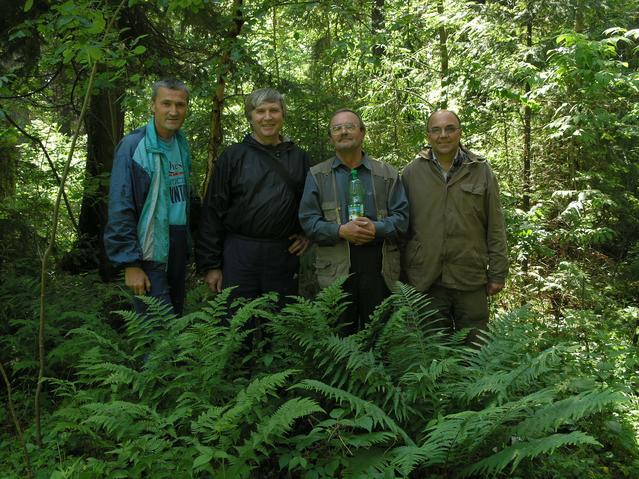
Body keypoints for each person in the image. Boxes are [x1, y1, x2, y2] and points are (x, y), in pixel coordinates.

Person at [196, 88, 311, 303]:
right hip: (239, 253)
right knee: (236, 326)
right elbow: (212, 212)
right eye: (260, 111)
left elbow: (312, 204)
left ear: (283, 115)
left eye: (274, 110)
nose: (267, 117)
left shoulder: (299, 158)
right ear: (250, 116)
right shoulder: (233, 157)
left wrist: (307, 234)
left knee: (281, 323)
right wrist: (211, 265)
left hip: (283, 254)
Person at [299, 109, 409, 334]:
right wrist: (340, 231)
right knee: (339, 340)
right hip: (335, 272)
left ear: (362, 133)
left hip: (379, 269)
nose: (343, 132)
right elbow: (308, 222)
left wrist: (376, 228)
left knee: (380, 337)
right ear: (331, 138)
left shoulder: (387, 174)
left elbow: (402, 219)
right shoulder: (317, 175)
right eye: (337, 129)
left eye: (349, 127)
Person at [401, 110, 508, 339]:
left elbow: (495, 225)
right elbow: (402, 227)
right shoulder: (411, 173)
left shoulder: (480, 170)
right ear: (428, 136)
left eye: (450, 129)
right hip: (426, 279)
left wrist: (498, 272)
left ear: (459, 133)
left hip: (469, 276)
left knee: (474, 349)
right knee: (430, 351)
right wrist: (401, 274)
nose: (443, 135)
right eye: (436, 130)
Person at [104, 78, 194, 316]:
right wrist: (131, 264)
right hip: (148, 250)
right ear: (153, 105)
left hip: (176, 245)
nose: (173, 111)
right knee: (158, 328)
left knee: (174, 319)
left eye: (180, 105)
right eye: (166, 103)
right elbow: (121, 205)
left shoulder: (181, 143)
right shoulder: (134, 146)